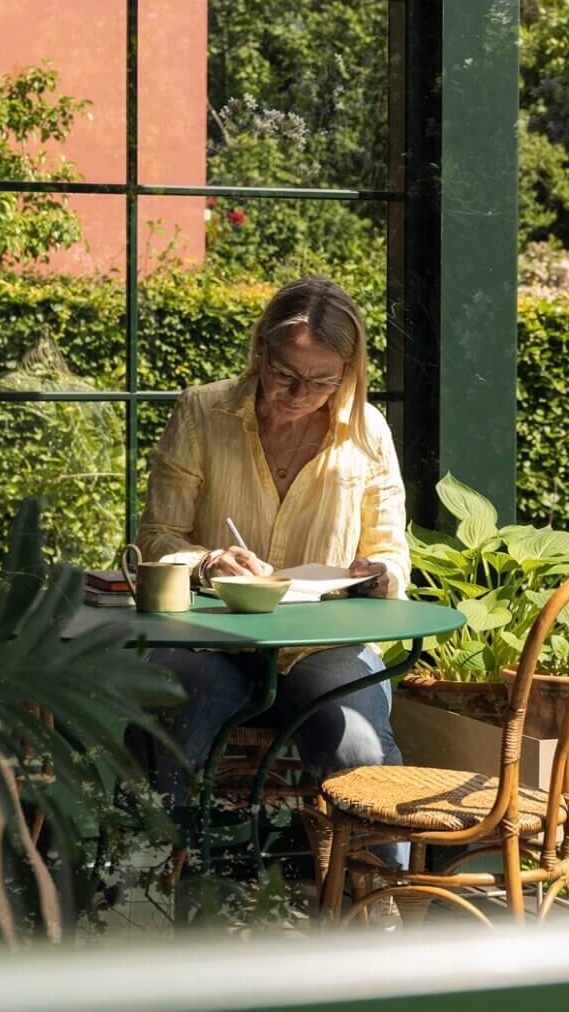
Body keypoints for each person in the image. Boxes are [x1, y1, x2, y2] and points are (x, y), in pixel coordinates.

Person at [138, 276, 410, 854]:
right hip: (215, 639)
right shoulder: (201, 413)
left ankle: (379, 900)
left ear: (349, 372)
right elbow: (158, 538)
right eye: (286, 373)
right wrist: (208, 560)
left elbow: (392, 552)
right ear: (261, 349)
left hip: (325, 644)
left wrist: (379, 573)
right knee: (176, 711)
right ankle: (155, 877)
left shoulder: (368, 433)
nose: (299, 392)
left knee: (357, 746)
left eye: (322, 381)